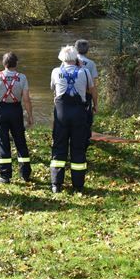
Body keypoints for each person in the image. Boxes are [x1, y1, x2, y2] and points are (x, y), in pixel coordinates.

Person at [49, 45, 96, 194]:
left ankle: (56, 184)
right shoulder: (85, 71)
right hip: (79, 113)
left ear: (62, 58)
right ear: (76, 58)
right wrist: (96, 105)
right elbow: (91, 89)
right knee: (78, 147)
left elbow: (53, 89)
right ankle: (78, 185)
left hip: (61, 113)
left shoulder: (56, 71)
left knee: (59, 146)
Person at [0, 52, 34, 184]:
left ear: (4, 63)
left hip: (1, 110)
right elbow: (26, 100)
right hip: (16, 110)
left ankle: (5, 175)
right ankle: (25, 173)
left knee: (2, 142)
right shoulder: (22, 77)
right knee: (20, 140)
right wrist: (30, 116)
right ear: (16, 63)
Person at [75, 39, 99, 131]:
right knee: (86, 118)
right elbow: (93, 86)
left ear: (75, 49)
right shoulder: (91, 64)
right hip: (86, 94)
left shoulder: (67, 60)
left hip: (69, 93)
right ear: (87, 50)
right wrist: (95, 104)